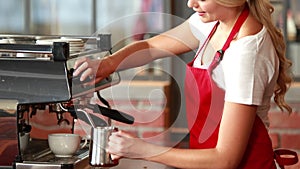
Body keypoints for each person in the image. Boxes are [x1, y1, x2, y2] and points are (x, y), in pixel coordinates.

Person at [73, 0, 296, 168]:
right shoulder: (212, 23)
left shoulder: (247, 52)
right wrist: (107, 64)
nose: (191, 3)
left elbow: (225, 159)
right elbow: (151, 47)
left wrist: (141, 150)